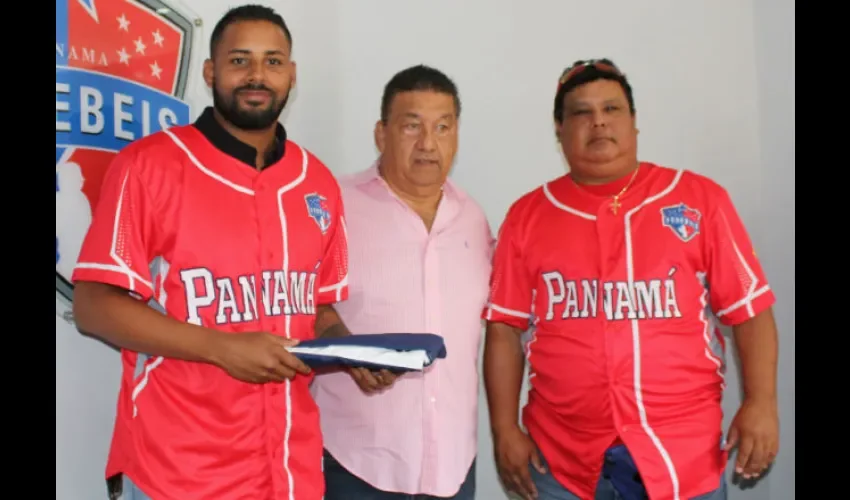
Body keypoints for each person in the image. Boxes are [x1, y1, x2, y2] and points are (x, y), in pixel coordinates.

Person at [70, 5, 349, 500]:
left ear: (292, 75)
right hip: (177, 471)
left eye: (273, 61)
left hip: (291, 468)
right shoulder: (149, 166)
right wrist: (223, 349)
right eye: (240, 61)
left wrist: (350, 351)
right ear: (210, 72)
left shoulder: (318, 182)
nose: (257, 76)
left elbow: (318, 307)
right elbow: (93, 305)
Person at [482, 59, 779, 500]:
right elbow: (505, 329)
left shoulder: (699, 200)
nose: (598, 120)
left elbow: (750, 313)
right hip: (563, 458)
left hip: (682, 454)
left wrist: (761, 403)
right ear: (559, 129)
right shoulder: (528, 215)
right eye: (581, 112)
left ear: (635, 123)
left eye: (612, 109)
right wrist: (504, 427)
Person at [311, 64, 492, 500]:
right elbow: (300, 298)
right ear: (381, 133)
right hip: (355, 463)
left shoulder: (473, 219)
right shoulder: (333, 205)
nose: (428, 143)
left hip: (452, 467)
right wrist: (348, 351)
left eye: (442, 127)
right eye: (412, 126)